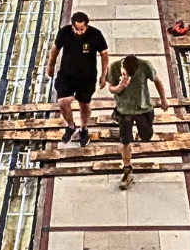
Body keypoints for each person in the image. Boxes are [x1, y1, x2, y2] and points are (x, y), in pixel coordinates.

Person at [44, 11, 109, 145]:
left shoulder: (95, 35)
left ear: (86, 26)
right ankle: (70, 125)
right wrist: (50, 65)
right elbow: (55, 49)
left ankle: (83, 128)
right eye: (76, 29)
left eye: (82, 29)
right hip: (66, 75)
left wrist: (104, 74)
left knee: (84, 104)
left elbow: (104, 54)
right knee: (62, 102)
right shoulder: (65, 32)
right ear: (72, 26)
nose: (79, 32)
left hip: (87, 77)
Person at [105, 53, 163, 187]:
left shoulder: (145, 65)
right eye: (126, 73)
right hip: (124, 112)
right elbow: (111, 88)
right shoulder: (114, 68)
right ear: (122, 65)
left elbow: (157, 80)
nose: (128, 77)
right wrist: (120, 87)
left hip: (143, 109)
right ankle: (127, 171)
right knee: (125, 141)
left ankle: (140, 133)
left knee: (146, 136)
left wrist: (164, 100)